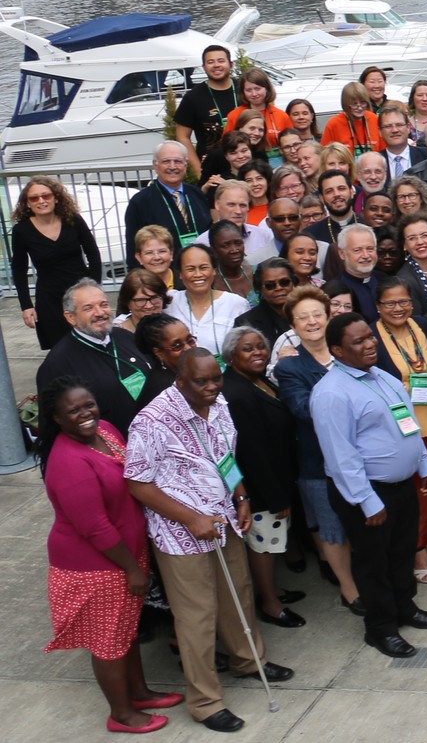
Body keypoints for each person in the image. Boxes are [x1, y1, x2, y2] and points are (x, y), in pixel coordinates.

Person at [123, 349, 294, 732]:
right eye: (201, 381)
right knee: (197, 615)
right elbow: (136, 482)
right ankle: (205, 701)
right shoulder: (151, 422)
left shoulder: (218, 403)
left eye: (215, 379)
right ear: (179, 381)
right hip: (181, 533)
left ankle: (248, 660)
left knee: (239, 592)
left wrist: (242, 497)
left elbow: (225, 457)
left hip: (225, 518)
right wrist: (190, 518)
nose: (212, 387)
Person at [38, 378, 181, 734]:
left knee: (126, 632)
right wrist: (133, 569)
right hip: (95, 566)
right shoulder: (68, 462)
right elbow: (95, 527)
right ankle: (122, 714)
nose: (85, 414)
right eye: (73, 411)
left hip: (125, 555)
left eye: (88, 404)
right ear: (57, 418)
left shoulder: (105, 429)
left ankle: (139, 693)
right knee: (108, 642)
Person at [310, 313, 427, 658]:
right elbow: (341, 457)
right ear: (338, 351)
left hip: (402, 484)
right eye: (359, 341)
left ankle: (405, 608)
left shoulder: (382, 376)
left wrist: (424, 465)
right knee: (374, 563)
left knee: (402, 552)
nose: (370, 344)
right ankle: (381, 628)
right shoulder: (331, 393)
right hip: (368, 492)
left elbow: (409, 423)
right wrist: (367, 502)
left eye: (369, 337)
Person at [271, 286, 364, 613]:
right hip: (318, 464)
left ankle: (369, 577)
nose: (311, 322)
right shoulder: (289, 368)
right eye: (302, 318)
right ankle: (350, 589)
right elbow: (305, 410)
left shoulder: (348, 352)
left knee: (367, 521)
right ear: (293, 326)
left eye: (317, 315)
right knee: (332, 530)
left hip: (364, 456)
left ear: (328, 317)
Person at [217, 327, 304, 629]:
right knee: (266, 545)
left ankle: (274, 590)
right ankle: (270, 603)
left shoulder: (258, 379)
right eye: (247, 349)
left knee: (274, 541)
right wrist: (275, 495)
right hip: (261, 488)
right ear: (231, 356)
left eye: (260, 347)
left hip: (278, 476)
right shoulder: (236, 392)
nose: (257, 353)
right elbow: (251, 452)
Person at [370, 279, 427, 580]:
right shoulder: (372, 336)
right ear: (378, 307)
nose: (398, 308)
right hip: (398, 430)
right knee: (411, 493)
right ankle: (415, 550)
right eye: (390, 303)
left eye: (403, 301)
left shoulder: (422, 326)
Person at [37, 280, 170, 437]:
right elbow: (53, 426)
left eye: (104, 304)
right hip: (109, 448)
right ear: (70, 317)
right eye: (89, 308)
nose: (100, 313)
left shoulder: (128, 337)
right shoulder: (57, 363)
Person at [12, 176, 105, 351]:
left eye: (46, 196)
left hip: (81, 292)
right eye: (34, 198)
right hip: (49, 298)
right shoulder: (21, 231)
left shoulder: (73, 220)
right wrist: (26, 305)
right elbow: (19, 268)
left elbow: (93, 254)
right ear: (27, 203)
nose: (41, 201)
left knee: (92, 342)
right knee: (61, 348)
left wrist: (95, 287)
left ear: (56, 198)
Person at [123, 142, 211, 267]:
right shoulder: (140, 202)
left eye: (178, 161)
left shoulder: (197, 194)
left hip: (200, 269)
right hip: (163, 274)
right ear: (155, 165)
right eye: (166, 161)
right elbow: (133, 247)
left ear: (186, 164)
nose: (172, 166)